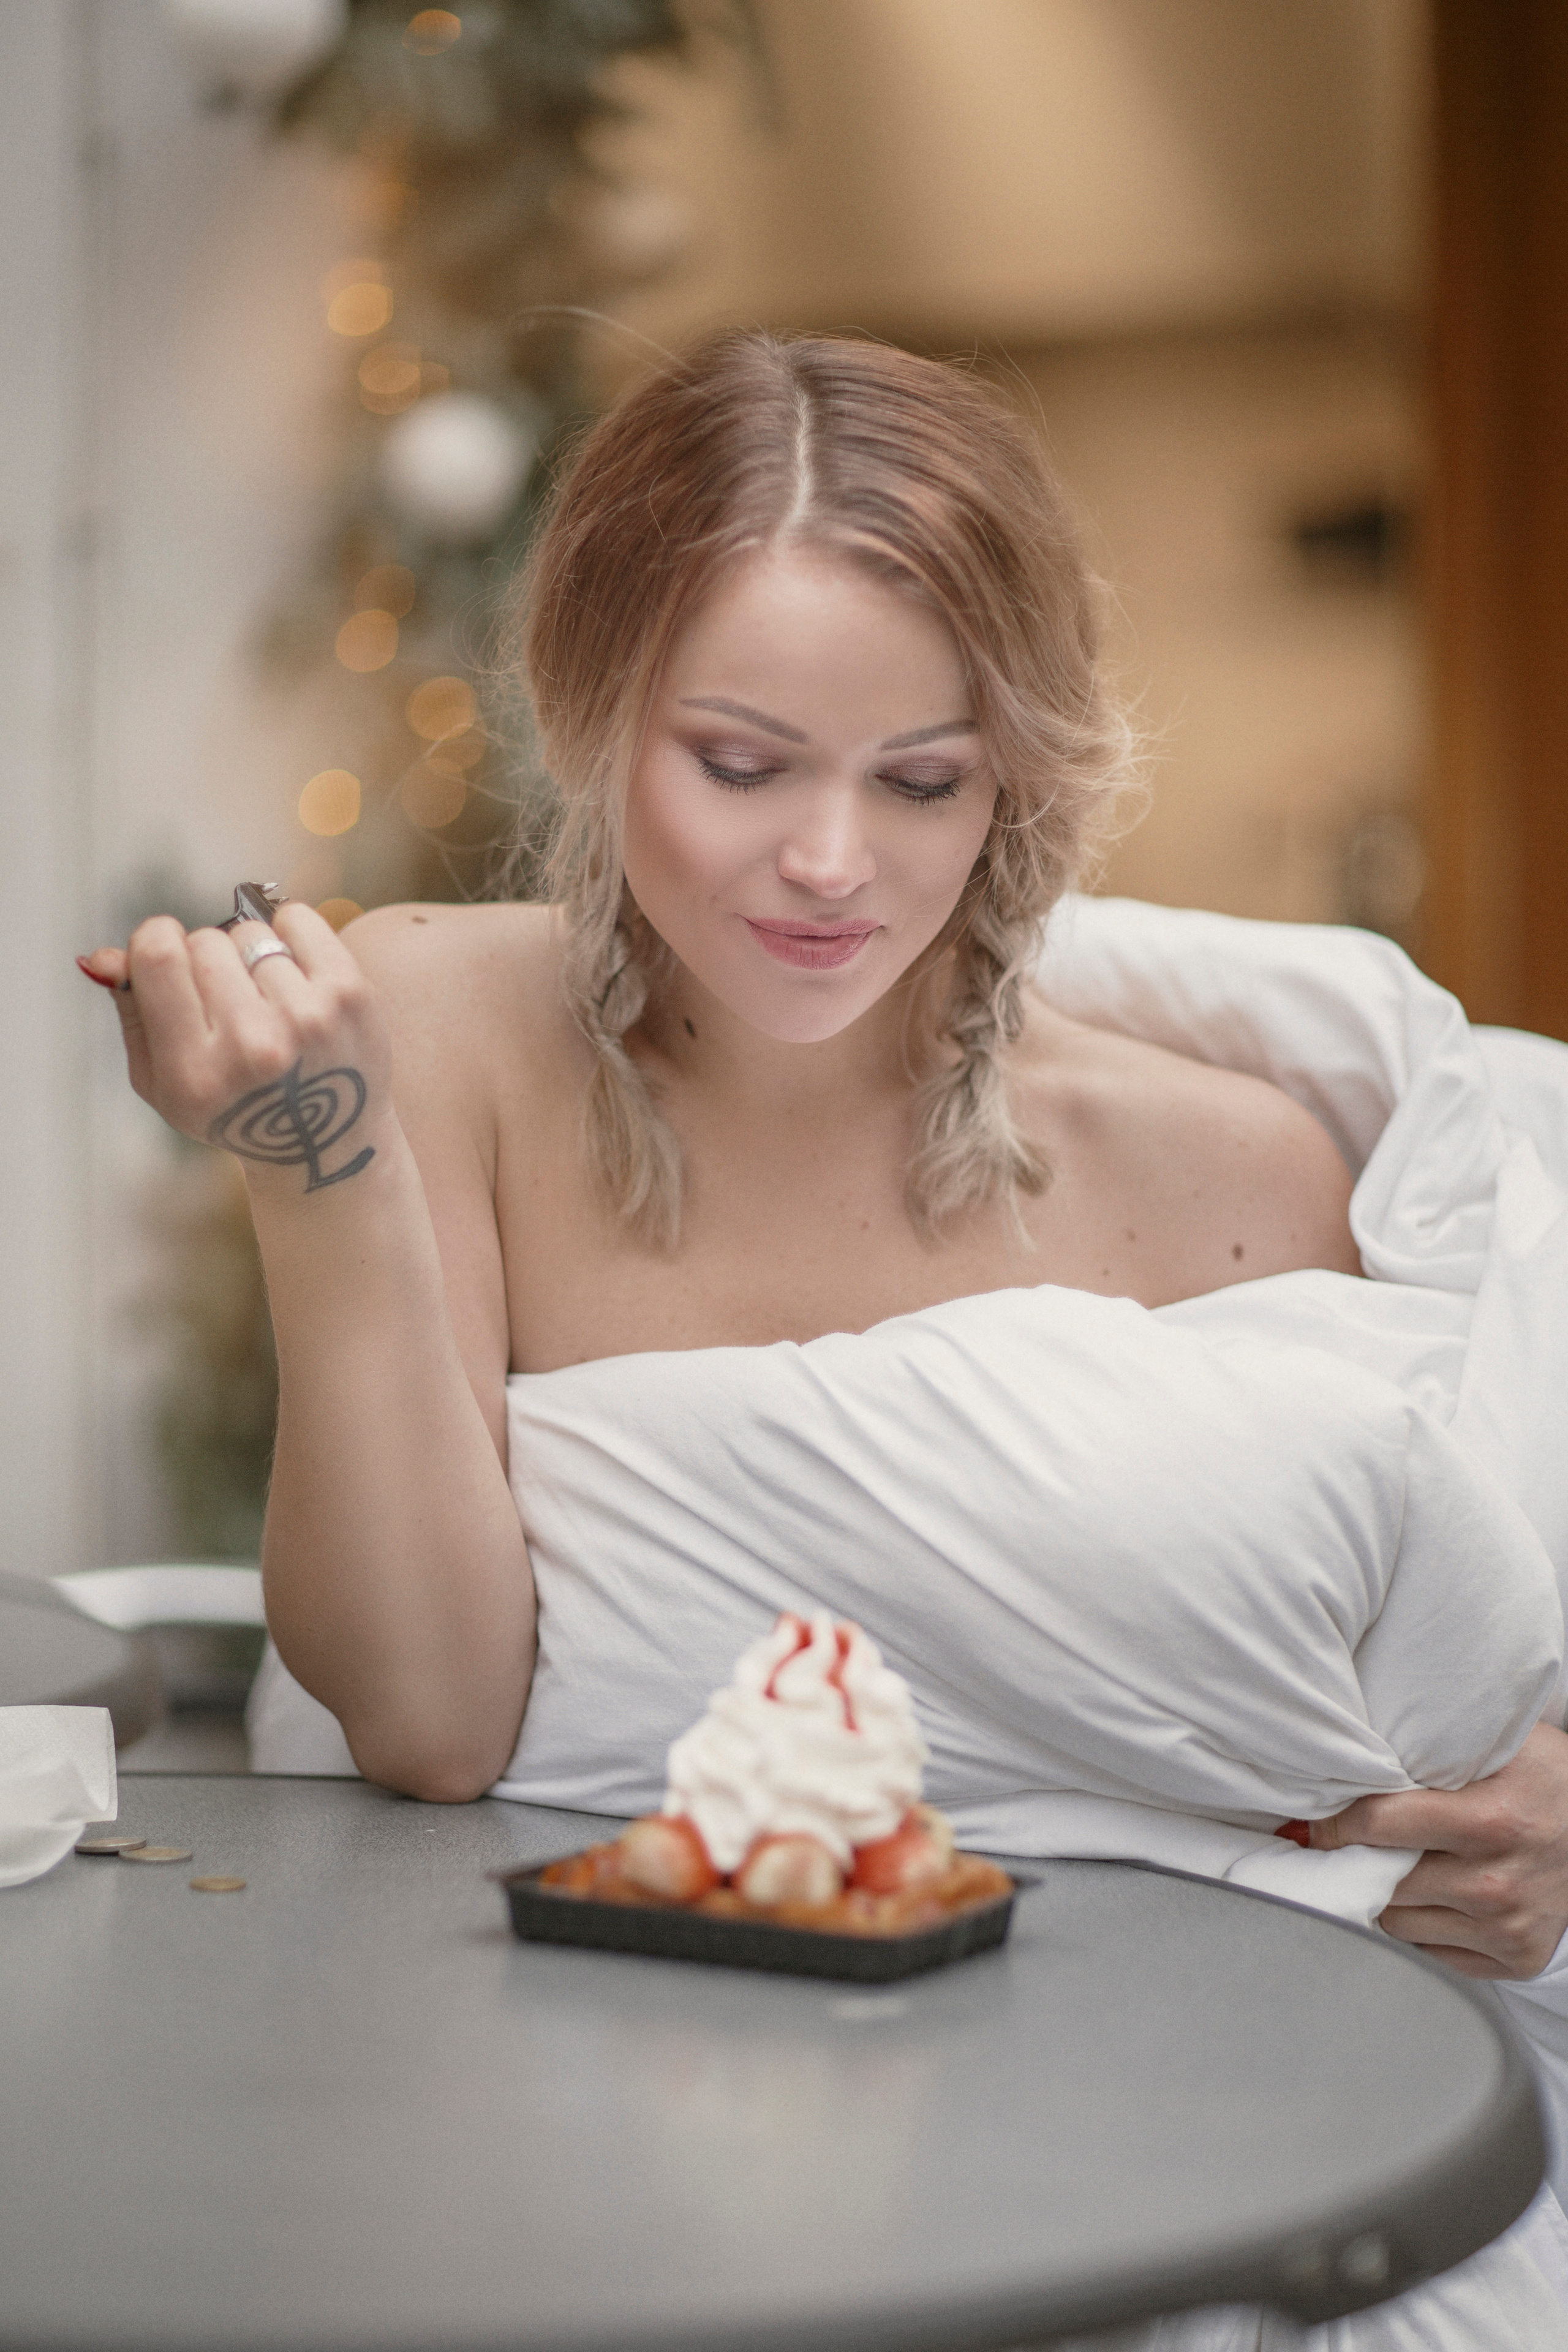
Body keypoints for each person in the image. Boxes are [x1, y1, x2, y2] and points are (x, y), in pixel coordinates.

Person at [79, 330, 1568, 1987]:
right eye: (741, 764)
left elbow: (1428, 1703)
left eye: (922, 781)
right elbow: (432, 1722)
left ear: (1014, 777)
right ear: (588, 713)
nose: (833, 863)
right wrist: (314, 1164)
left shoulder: (1226, 1179)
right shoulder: (436, 1029)